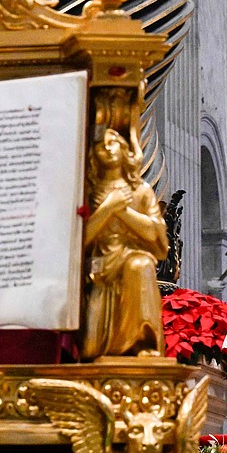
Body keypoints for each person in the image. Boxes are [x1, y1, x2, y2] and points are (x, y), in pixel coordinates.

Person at [81, 128, 169, 359]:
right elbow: (80, 241)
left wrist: (123, 212)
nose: (107, 148)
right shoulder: (87, 192)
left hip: (130, 259)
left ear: (124, 150)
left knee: (140, 265)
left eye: (113, 142)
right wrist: (108, 207)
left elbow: (155, 234)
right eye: (101, 145)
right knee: (89, 348)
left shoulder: (141, 191)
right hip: (97, 267)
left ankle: (144, 342)